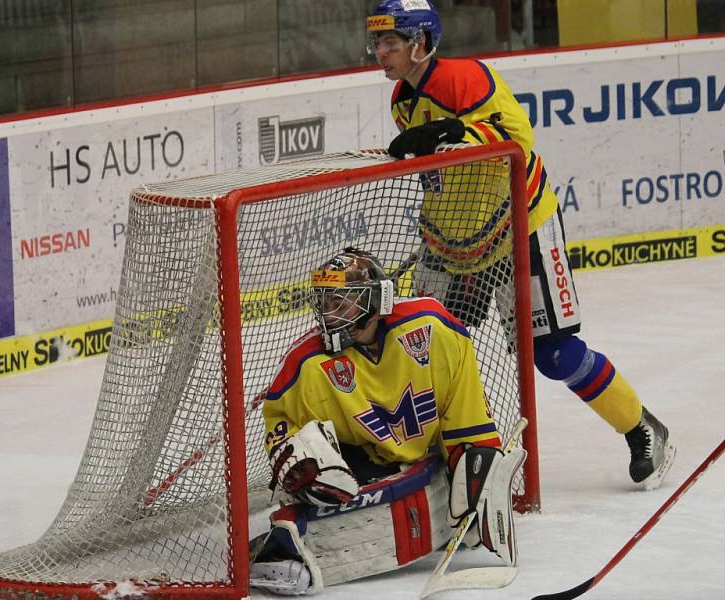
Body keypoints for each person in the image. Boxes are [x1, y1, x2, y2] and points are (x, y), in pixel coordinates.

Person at [365, 0, 675, 490]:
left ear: (420, 42)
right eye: (377, 43)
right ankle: (443, 454)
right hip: (452, 243)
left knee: (553, 354)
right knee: (426, 347)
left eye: (390, 43)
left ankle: (642, 428)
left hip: (519, 229)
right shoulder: (402, 99)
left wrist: (454, 130)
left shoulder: (466, 78)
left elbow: (517, 141)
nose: (380, 53)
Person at [249, 247, 525, 595]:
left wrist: (476, 467)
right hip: (362, 465)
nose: (329, 313)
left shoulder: (432, 329)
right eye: (324, 302)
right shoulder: (306, 366)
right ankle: (279, 548)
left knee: (474, 472)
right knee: (325, 482)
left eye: (342, 302)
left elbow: (465, 415)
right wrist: (296, 459)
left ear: (375, 302)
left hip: (426, 460)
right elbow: (281, 424)